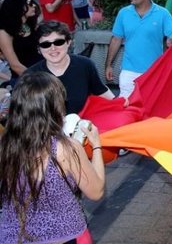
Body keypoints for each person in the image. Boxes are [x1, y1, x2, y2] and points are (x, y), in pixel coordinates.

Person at [0, 72, 105, 243]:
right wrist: (96, 145)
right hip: (64, 236)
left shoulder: (5, 145)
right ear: (54, 107)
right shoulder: (65, 148)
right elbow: (96, 191)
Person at [105, 0, 172, 101]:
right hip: (128, 71)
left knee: (151, 107)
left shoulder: (162, 13)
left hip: (154, 72)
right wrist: (108, 65)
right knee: (126, 108)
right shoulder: (123, 13)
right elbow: (116, 40)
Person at [27, 21, 114, 114]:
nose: (53, 48)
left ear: (68, 42)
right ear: (39, 49)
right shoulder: (30, 76)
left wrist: (119, 104)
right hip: (46, 127)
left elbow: (100, 91)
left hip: (82, 124)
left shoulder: (85, 65)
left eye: (58, 42)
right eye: (45, 44)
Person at [0, 0, 41, 81]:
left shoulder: (28, 24)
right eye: (29, 4)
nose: (33, 5)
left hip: (40, 69)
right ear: (18, 8)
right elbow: (15, 65)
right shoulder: (4, 32)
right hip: (26, 78)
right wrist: (38, 80)